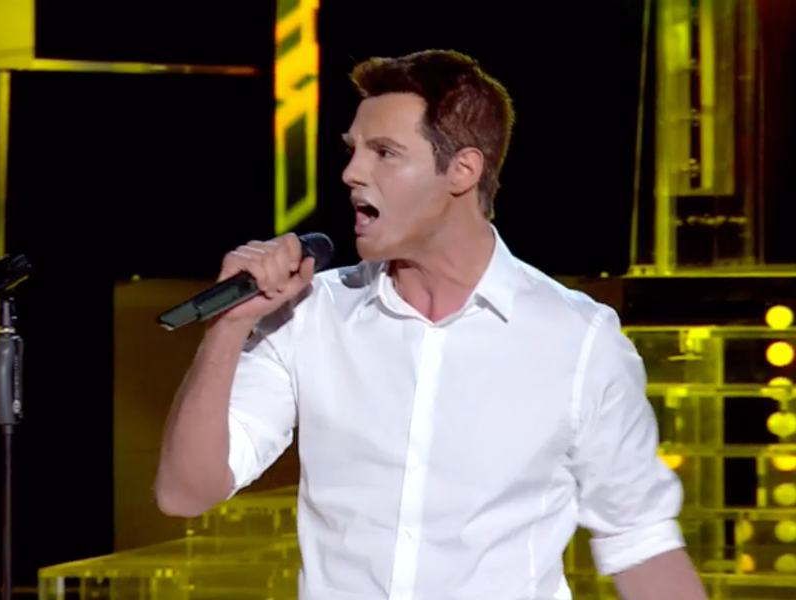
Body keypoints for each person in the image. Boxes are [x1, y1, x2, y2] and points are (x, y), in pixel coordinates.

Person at [153, 49, 707, 599]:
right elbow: (185, 493)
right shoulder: (310, 315)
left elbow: (640, 540)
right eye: (352, 151)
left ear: (462, 170)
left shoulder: (578, 339)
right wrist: (229, 326)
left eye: (384, 153)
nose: (351, 173)